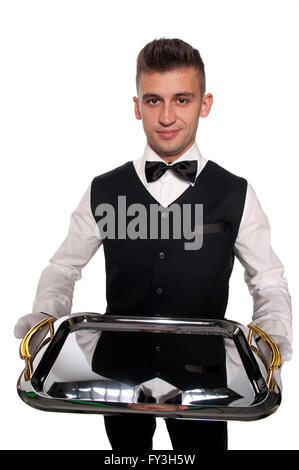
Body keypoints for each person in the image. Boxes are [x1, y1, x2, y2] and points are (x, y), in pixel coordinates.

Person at [14, 38, 292, 451]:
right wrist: (43, 322)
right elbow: (63, 268)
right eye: (153, 100)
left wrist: (271, 341)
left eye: (182, 99)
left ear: (205, 104)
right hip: (116, 379)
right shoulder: (103, 189)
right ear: (136, 106)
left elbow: (268, 281)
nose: (166, 116)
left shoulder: (236, 193)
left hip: (207, 385)